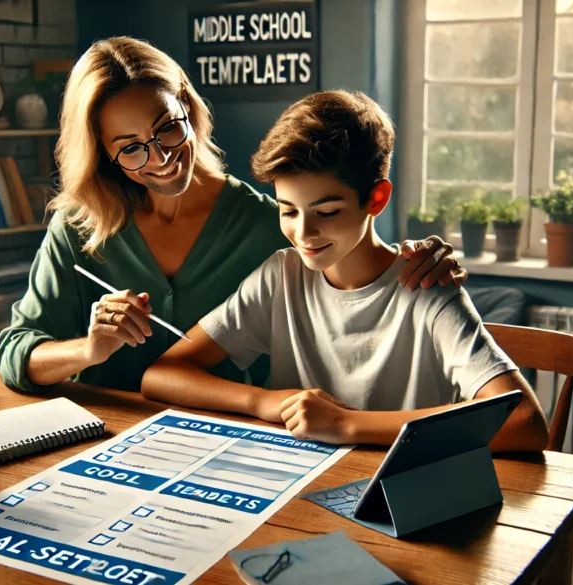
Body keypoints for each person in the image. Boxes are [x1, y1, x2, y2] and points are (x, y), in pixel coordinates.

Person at [0, 37, 466, 394]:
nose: (160, 157)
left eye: (167, 128)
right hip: (99, 441)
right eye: (133, 148)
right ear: (103, 153)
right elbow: (14, 352)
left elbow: (355, 267)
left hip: (231, 446)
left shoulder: (270, 224)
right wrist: (87, 349)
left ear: (188, 104)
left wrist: (419, 257)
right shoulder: (79, 227)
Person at [141, 90, 548, 452]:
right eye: (288, 210)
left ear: (376, 197)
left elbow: (524, 422)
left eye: (328, 212)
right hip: (295, 485)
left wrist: (347, 424)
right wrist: (264, 401)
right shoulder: (279, 278)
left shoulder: (426, 287)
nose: (304, 233)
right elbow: (161, 375)